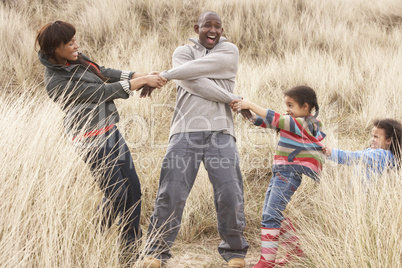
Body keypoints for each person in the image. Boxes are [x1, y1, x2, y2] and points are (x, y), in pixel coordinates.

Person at [35, 20, 167, 265]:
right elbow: (100, 93)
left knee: (133, 190)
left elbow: (103, 72)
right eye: (70, 42)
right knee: (117, 194)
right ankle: (97, 235)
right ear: (55, 48)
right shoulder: (55, 81)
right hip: (88, 139)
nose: (76, 45)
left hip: (109, 131)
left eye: (75, 40)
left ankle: (129, 254)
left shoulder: (75, 58)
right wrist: (136, 84)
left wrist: (143, 75)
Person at [142, 11, 249, 268]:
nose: (213, 30)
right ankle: (156, 253)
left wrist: (169, 74)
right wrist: (231, 97)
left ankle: (234, 252)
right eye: (207, 26)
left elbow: (194, 74)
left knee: (230, 192)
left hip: (221, 131)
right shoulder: (182, 52)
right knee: (171, 192)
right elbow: (195, 83)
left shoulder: (229, 50)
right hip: (184, 130)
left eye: (218, 27)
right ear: (197, 27)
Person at [231, 86, 326, 268]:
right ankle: (295, 252)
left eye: (291, 105)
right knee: (273, 213)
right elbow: (264, 121)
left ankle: (267, 261)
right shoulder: (293, 122)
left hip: (289, 175)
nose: (287, 109)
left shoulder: (306, 123)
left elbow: (275, 118)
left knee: (270, 215)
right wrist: (245, 110)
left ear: (306, 107)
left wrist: (251, 103)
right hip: (281, 173)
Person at [322, 118, 401, 183]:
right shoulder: (374, 151)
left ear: (389, 140)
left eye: (376, 137)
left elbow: (354, 157)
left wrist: (332, 152)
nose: (372, 139)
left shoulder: (383, 155)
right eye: (372, 136)